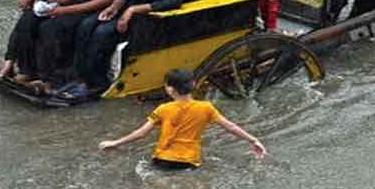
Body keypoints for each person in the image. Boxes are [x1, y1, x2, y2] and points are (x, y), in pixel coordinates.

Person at [67, 0, 184, 97]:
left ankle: (98, 83)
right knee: (86, 25)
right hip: (129, 5)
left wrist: (134, 10)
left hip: (153, 13)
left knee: (103, 32)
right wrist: (114, 7)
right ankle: (80, 76)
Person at [99, 69, 266, 170]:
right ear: (193, 85)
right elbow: (230, 127)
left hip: (161, 161)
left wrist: (114, 143)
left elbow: (141, 134)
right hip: (189, 162)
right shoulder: (206, 108)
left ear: (170, 89)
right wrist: (253, 140)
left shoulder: (163, 109)